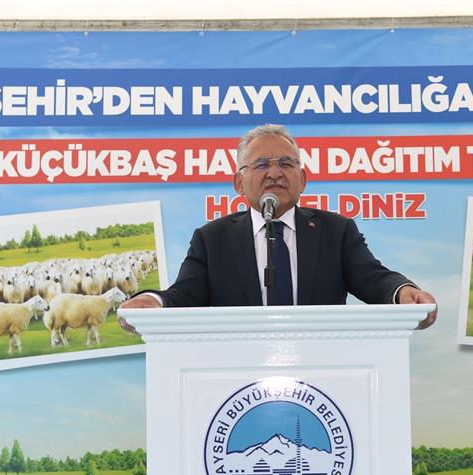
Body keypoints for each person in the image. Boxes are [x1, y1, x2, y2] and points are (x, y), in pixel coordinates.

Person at [118, 124, 436, 331]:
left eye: (285, 163)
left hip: (325, 370)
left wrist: (403, 293)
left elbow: (373, 279)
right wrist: (153, 302)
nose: (274, 173)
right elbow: (184, 296)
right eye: (261, 164)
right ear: (239, 183)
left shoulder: (336, 231)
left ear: (303, 178)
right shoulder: (212, 239)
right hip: (237, 375)